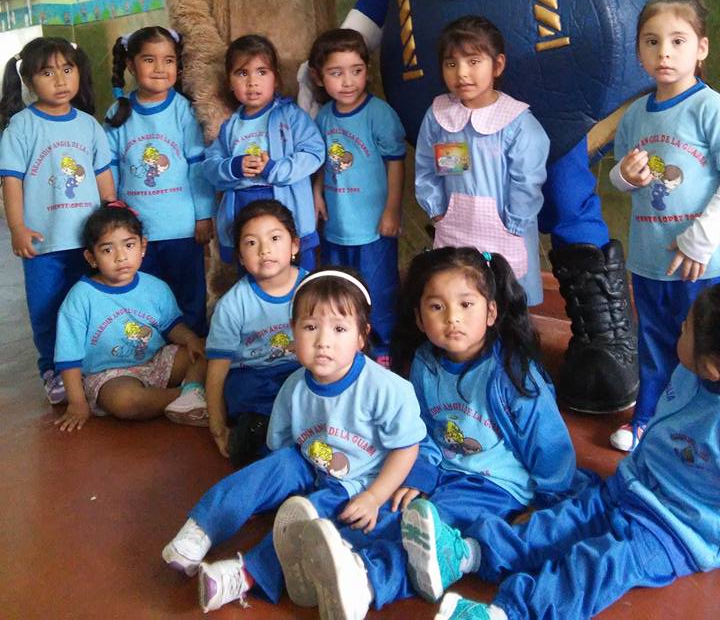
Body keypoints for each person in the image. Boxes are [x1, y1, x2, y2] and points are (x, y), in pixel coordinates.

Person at [281, 246, 584, 619]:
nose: (452, 318)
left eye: (466, 305)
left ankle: (367, 582)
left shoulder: (513, 372)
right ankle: (329, 562)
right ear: (420, 319)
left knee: (428, 534)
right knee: (394, 509)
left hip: (495, 484)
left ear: (491, 312)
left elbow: (550, 444)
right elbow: (421, 429)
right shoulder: (425, 363)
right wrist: (422, 472)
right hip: (443, 471)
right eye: (437, 307)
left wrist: (547, 504)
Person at [400, 283, 720, 620]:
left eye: (688, 326)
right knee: (562, 521)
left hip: (674, 531)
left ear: (713, 365)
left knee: (597, 565)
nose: (681, 326)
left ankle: (508, 614)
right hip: (630, 486)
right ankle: (467, 553)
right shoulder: (689, 371)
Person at [162, 268, 426, 616]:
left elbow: (407, 447)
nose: (323, 341)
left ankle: (243, 576)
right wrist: (274, 486)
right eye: (310, 327)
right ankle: (202, 528)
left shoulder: (387, 389)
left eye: (340, 329)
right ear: (292, 333)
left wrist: (375, 496)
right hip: (309, 463)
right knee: (274, 466)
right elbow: (281, 446)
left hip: (356, 482)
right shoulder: (293, 388)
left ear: (362, 336)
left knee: (314, 517)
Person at [609, 0, 720, 452]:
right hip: (649, 259)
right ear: (638, 50)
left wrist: (702, 237)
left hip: (701, 262)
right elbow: (619, 178)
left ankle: (703, 434)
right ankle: (647, 422)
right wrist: (625, 176)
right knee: (654, 346)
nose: (664, 53)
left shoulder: (709, 106)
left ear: (701, 47)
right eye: (651, 41)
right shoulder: (635, 115)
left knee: (705, 352)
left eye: (678, 41)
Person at [0, 37, 115, 404]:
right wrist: (17, 227)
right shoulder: (21, 126)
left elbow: (103, 178)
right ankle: (53, 369)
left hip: (88, 242)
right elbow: (12, 181)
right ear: (30, 82)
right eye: (47, 72)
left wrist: (114, 215)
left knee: (90, 304)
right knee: (48, 308)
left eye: (67, 69)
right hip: (44, 243)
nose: (61, 79)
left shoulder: (88, 125)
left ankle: (90, 364)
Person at [415, 16, 550, 305]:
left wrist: (514, 225)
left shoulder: (516, 122)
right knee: (461, 300)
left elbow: (527, 180)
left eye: (474, 61)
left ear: (497, 65)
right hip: (455, 228)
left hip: (505, 229)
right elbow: (426, 167)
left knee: (506, 302)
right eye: (451, 64)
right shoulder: (439, 117)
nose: (462, 73)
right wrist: (437, 210)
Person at [53, 201, 208, 430]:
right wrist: (77, 403)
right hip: (110, 376)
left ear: (142, 247)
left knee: (208, 348)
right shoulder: (80, 298)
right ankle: (187, 396)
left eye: (128, 245)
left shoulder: (155, 287)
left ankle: (187, 393)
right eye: (107, 249)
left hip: (156, 361)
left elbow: (172, 327)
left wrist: (190, 340)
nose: (120, 257)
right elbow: (69, 359)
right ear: (91, 257)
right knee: (127, 402)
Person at [104, 26, 215, 335]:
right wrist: (112, 211)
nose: (160, 69)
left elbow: (197, 167)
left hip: (181, 229)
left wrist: (204, 215)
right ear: (130, 65)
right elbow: (109, 165)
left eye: (168, 60)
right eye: (149, 60)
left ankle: (193, 361)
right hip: (135, 233)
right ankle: (154, 359)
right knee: (145, 296)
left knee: (189, 298)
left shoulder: (184, 110)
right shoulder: (118, 112)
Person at [309, 28, 406, 360]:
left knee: (379, 290)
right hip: (337, 225)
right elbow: (320, 160)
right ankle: (346, 346)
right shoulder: (323, 117)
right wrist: (317, 194)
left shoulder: (379, 114)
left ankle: (385, 349)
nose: (348, 81)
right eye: (336, 73)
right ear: (319, 78)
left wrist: (392, 210)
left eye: (357, 71)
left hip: (374, 227)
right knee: (341, 289)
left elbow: (396, 163)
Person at [203, 34, 324, 271]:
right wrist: (234, 167)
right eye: (242, 73)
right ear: (229, 81)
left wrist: (274, 169)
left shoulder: (291, 116)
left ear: (275, 78)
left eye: (261, 72)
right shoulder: (230, 126)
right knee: (253, 275)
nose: (252, 82)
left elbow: (314, 152)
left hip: (287, 209)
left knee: (300, 279)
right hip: (242, 209)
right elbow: (210, 166)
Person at [205, 199, 306, 466]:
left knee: (313, 390)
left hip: (301, 370)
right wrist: (216, 426)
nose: (264, 250)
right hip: (253, 376)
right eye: (251, 243)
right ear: (239, 256)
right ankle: (263, 441)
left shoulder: (312, 289)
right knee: (246, 395)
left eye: (275, 238)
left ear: (294, 245)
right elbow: (217, 370)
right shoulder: (233, 304)